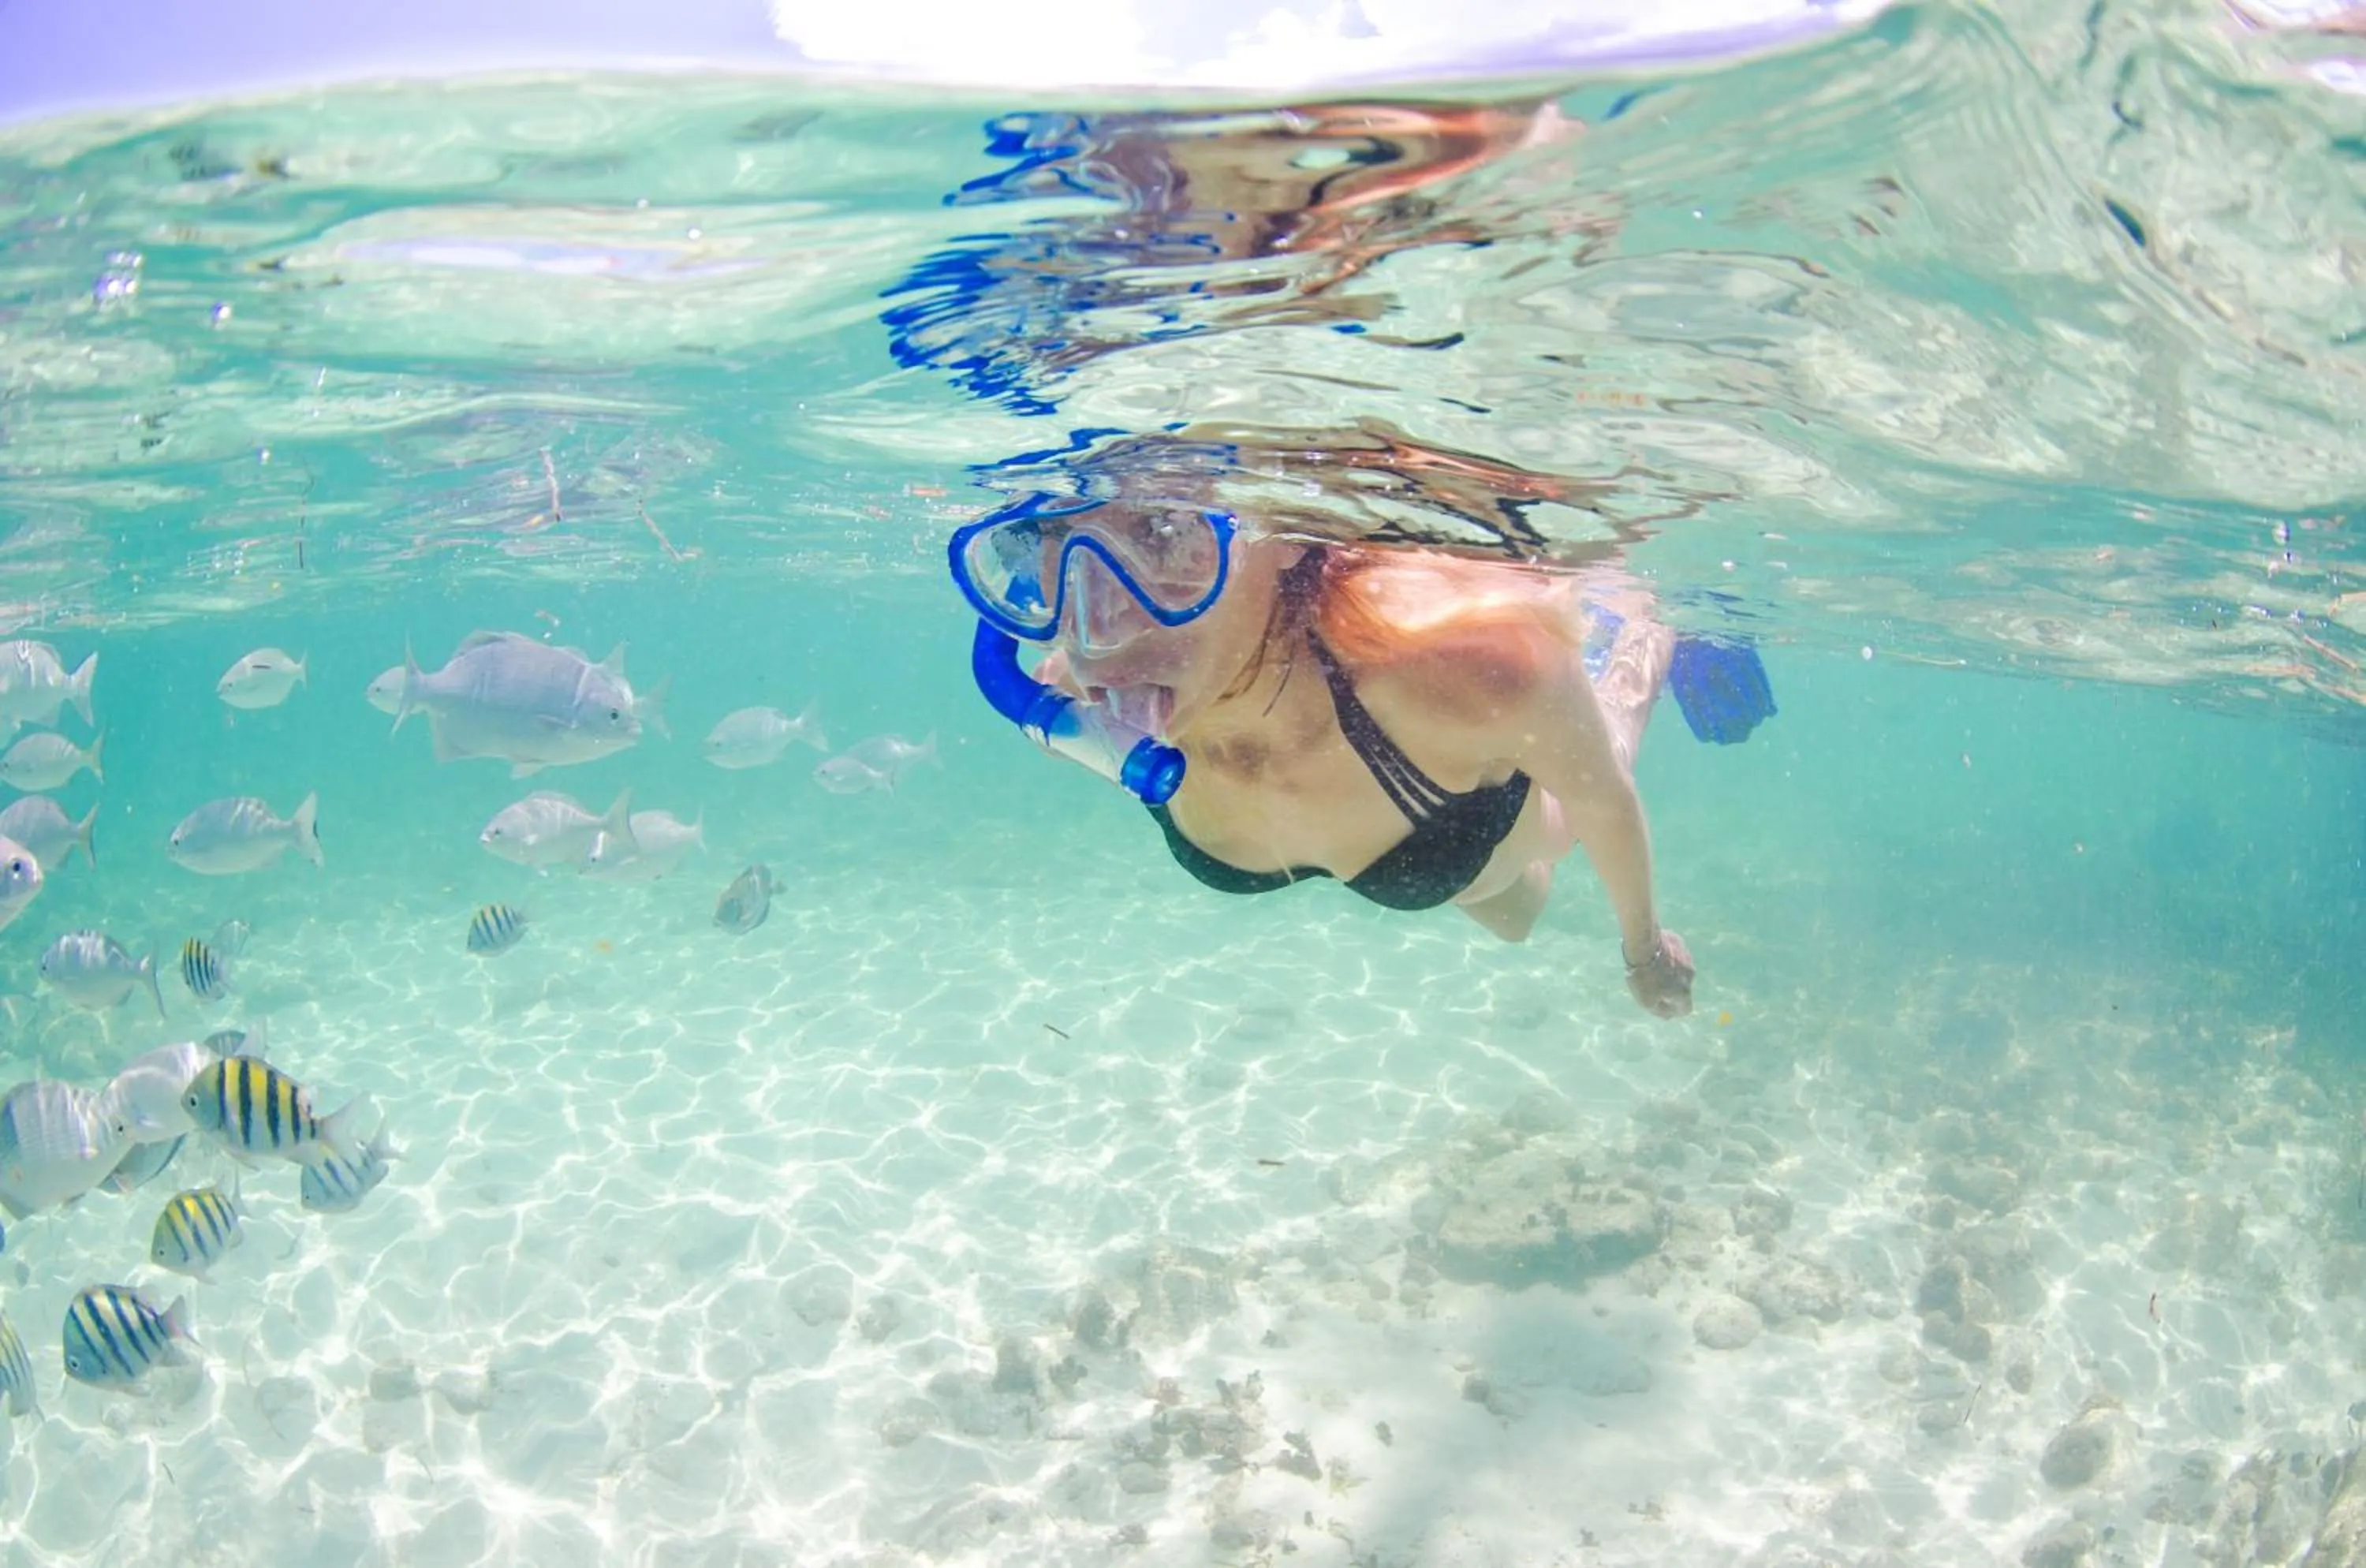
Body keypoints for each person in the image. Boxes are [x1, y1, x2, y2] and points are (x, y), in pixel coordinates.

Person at [950, 486, 1770, 1019]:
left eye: (1165, 535)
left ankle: (1655, 628)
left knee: (1595, 763)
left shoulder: (1466, 669)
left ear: (1284, 543)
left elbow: (1603, 803)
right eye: (1037, 549)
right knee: (1515, 919)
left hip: (1471, 812)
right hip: (1423, 853)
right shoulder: (1082, 692)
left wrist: (1643, 949)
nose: (1098, 630)